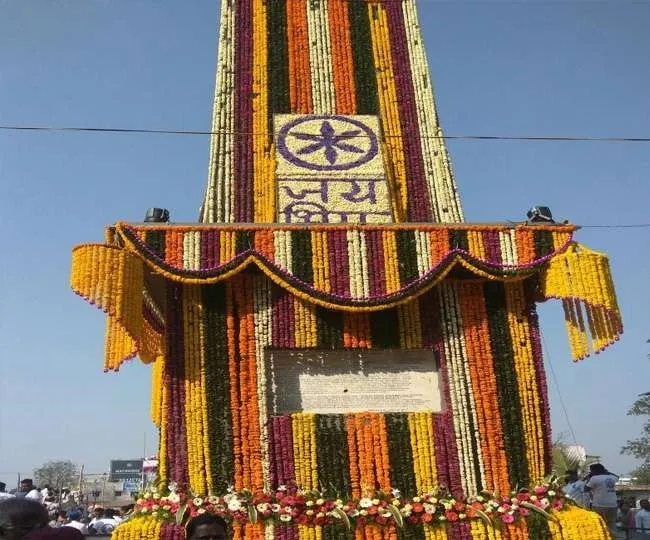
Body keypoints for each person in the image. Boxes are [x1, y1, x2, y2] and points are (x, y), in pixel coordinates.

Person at [584, 463, 619, 532]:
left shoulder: (594, 478)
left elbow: (586, 489)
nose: (591, 472)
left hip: (599, 505)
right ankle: (614, 536)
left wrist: (588, 478)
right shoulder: (612, 477)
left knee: (599, 524)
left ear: (595, 471)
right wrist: (606, 472)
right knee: (612, 524)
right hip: (613, 505)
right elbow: (617, 477)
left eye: (591, 471)